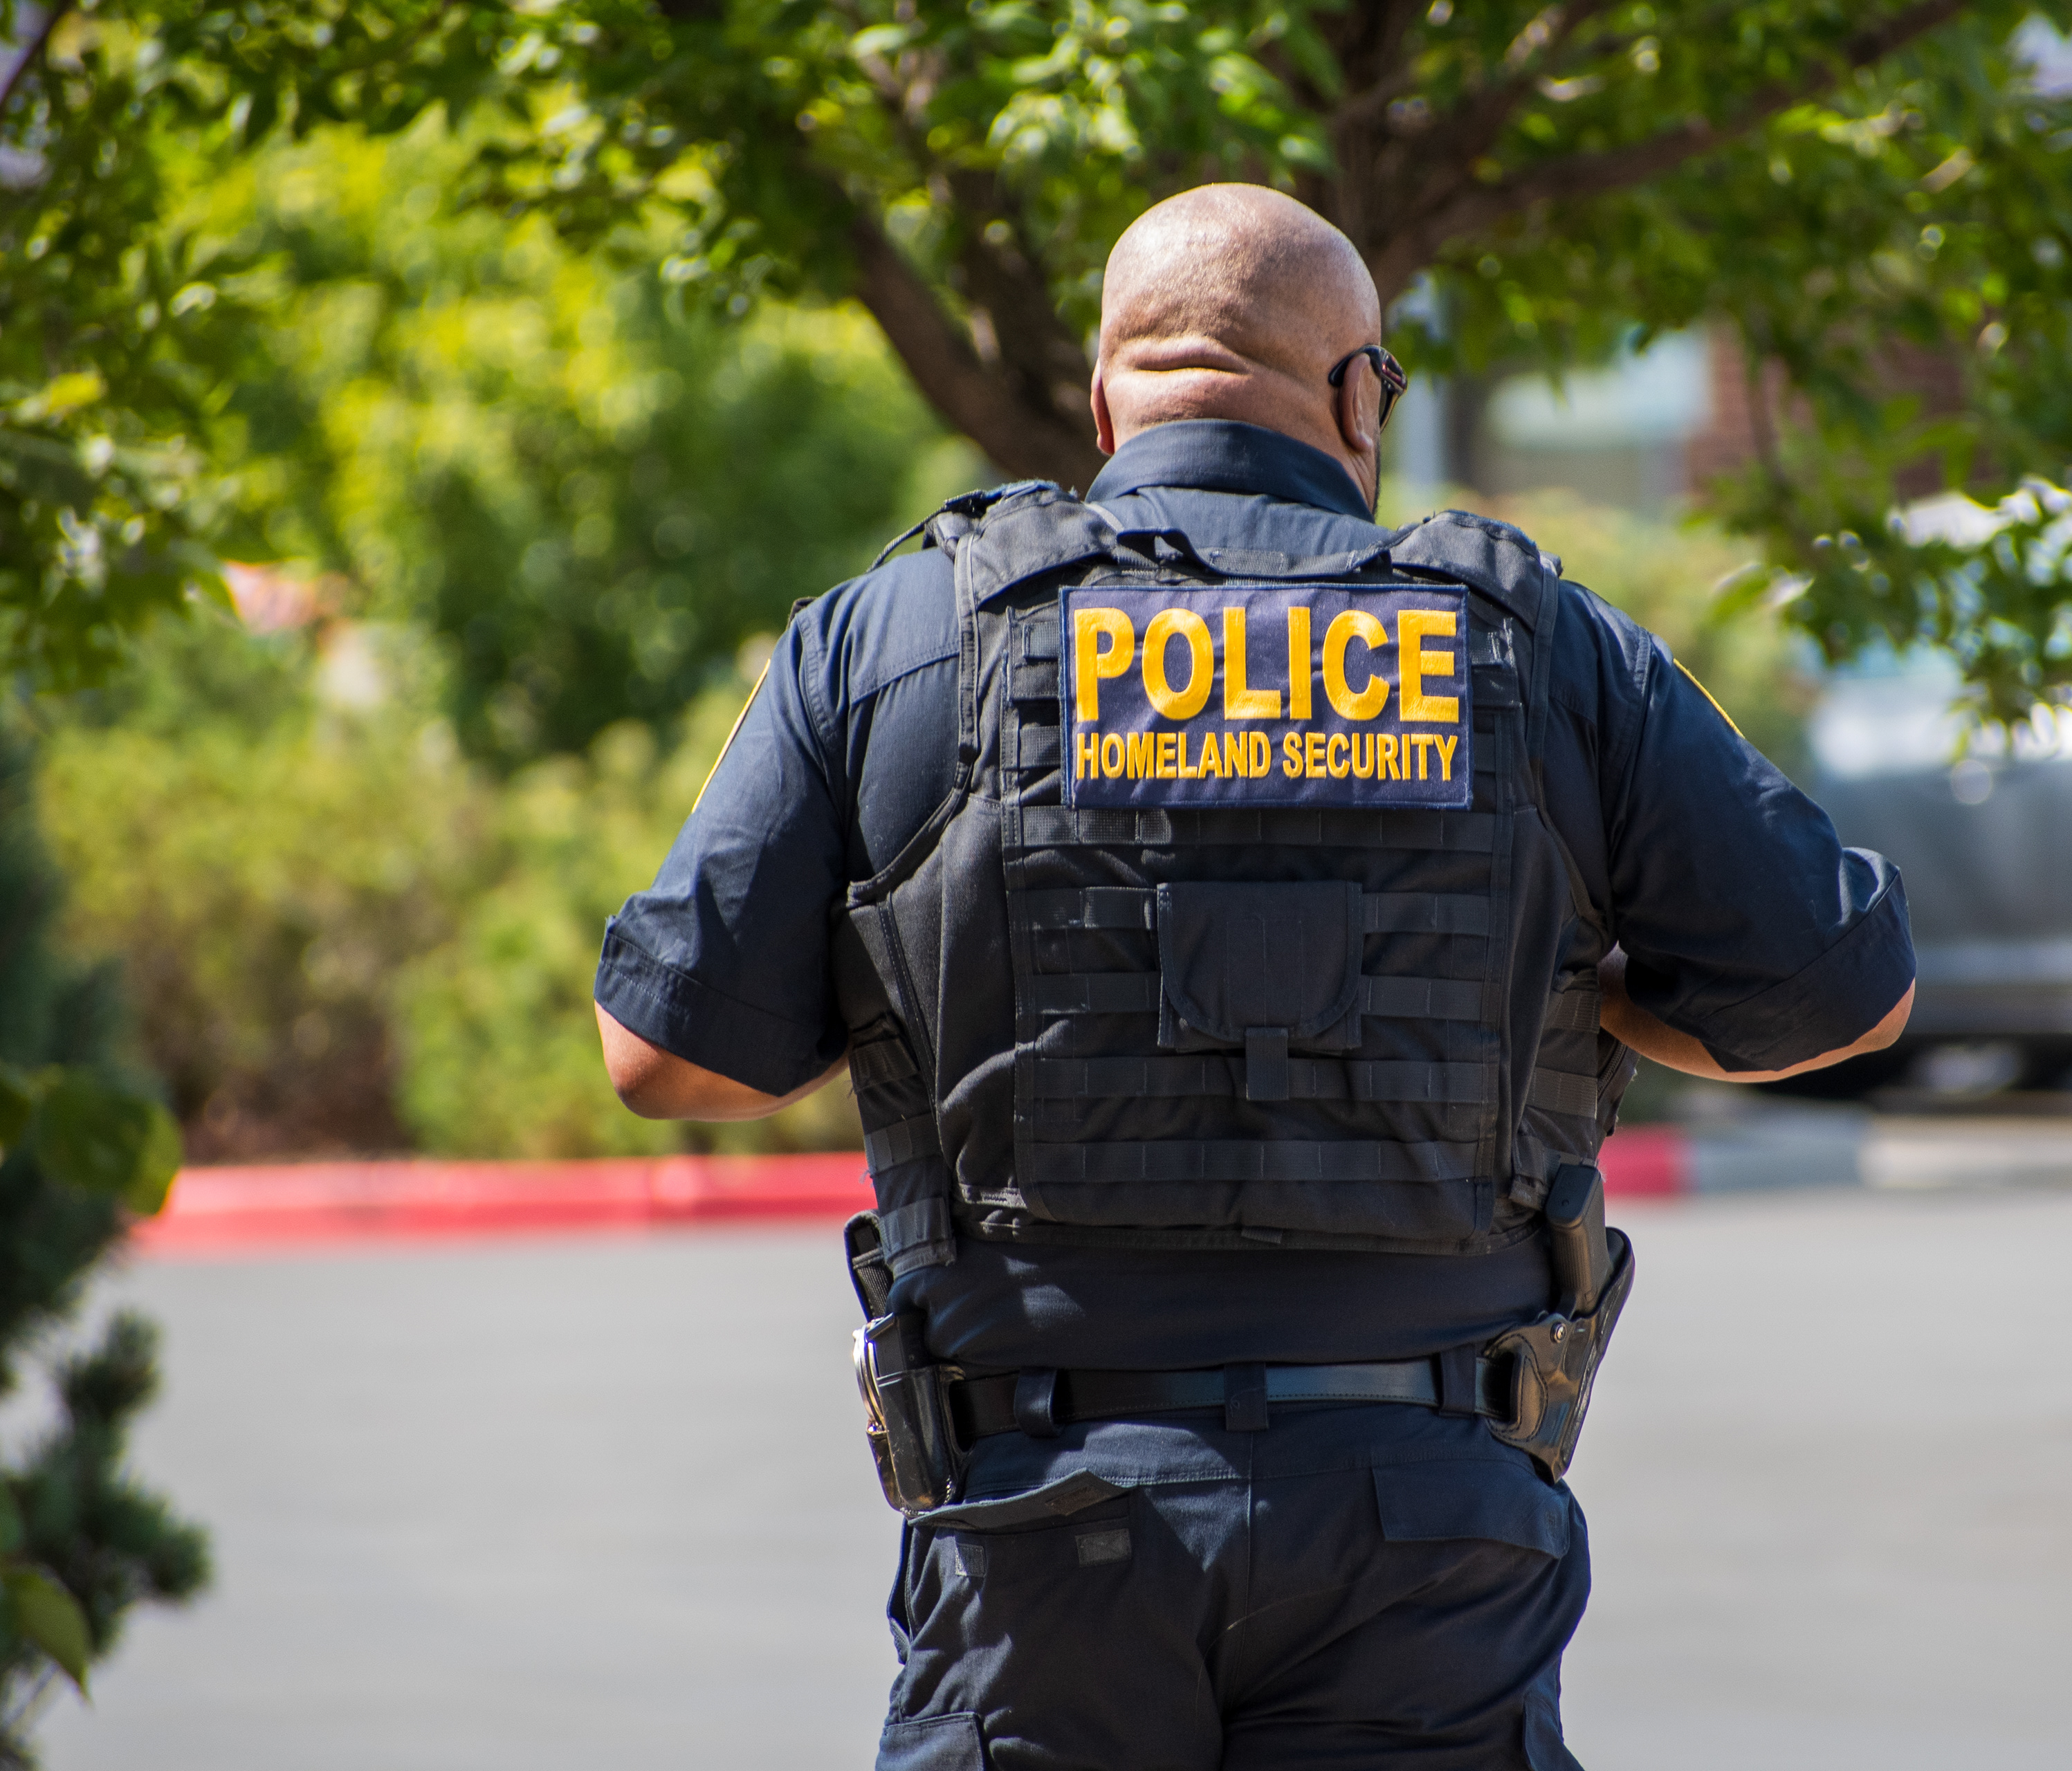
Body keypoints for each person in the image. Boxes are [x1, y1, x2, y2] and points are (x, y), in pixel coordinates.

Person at [594, 183, 1914, 1771]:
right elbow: (1845, 989)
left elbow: (664, 1055)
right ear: (1357, 396)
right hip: (1427, 1534)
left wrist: (901, 975)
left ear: (1103, 400)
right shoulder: (1538, 644)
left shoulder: (896, 641)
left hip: (1043, 1520)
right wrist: (1597, 987)